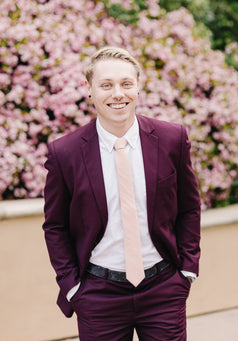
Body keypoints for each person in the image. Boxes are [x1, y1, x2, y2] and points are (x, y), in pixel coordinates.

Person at [43, 46, 201, 341]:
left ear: (138, 86)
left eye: (126, 84)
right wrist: (73, 287)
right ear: (89, 89)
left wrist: (187, 270)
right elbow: (55, 226)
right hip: (98, 295)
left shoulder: (172, 139)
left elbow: (189, 208)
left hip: (164, 289)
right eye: (107, 85)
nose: (118, 94)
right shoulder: (64, 153)